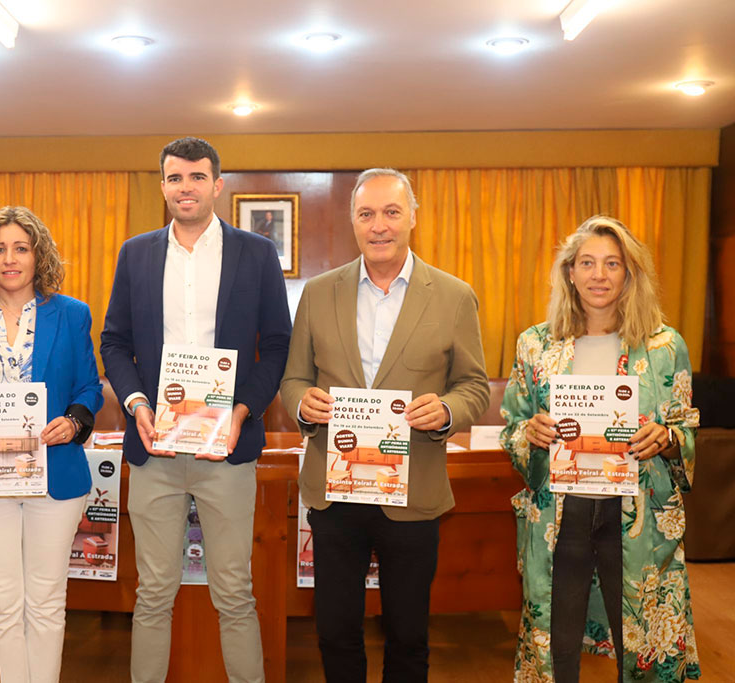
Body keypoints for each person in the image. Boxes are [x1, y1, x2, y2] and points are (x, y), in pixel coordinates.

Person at [280, 168, 490, 682]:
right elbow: (292, 380)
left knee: (409, 635)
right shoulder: (318, 292)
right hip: (336, 492)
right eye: (367, 213)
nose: (379, 225)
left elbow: (474, 388)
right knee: (334, 631)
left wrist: (445, 411)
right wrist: (303, 405)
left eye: (392, 212)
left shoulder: (453, 295)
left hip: (414, 493)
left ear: (413, 218)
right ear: (352, 221)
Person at [101, 136, 291, 683]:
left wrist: (243, 411)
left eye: (197, 177)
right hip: (154, 447)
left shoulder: (255, 254)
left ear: (218, 184)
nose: (186, 188)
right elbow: (114, 342)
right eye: (175, 178)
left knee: (234, 591)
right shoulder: (135, 253)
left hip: (227, 451)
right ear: (162, 186)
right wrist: (136, 402)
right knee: (153, 592)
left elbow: (276, 343)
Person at [500, 215, 701, 682]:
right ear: (570, 272)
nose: (599, 275)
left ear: (630, 273)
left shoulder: (664, 346)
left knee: (645, 641)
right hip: (559, 518)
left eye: (613, 264)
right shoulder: (536, 345)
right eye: (587, 263)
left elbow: (686, 431)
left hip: (636, 518)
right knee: (556, 640)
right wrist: (528, 433)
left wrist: (668, 440)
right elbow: (512, 426)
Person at [0, 206, 103, 683]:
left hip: (56, 476)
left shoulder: (71, 314)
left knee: (46, 603)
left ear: (37, 255)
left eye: (20, 248)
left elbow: (89, 389)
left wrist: (73, 422)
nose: (10, 259)